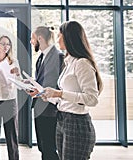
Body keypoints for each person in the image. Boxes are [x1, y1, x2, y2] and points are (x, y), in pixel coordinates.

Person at [41, 21, 103, 160]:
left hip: (77, 124)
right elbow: (66, 98)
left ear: (69, 37)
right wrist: (48, 96)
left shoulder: (82, 63)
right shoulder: (69, 62)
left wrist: (59, 93)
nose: (57, 40)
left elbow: (92, 99)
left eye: (59, 36)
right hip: (62, 119)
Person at [27, 26, 64, 160]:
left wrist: (40, 91)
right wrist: (31, 85)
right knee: (43, 147)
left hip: (51, 110)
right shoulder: (42, 57)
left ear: (39, 38)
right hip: (40, 108)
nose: (31, 41)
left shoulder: (58, 56)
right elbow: (43, 81)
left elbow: (58, 85)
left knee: (49, 148)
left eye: (32, 38)